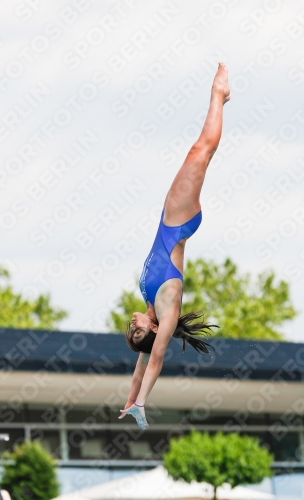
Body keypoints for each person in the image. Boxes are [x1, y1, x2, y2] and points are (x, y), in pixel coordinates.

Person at [118, 63, 230, 430]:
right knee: (202, 150)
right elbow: (154, 361)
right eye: (136, 331)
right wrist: (144, 404)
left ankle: (218, 97)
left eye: (130, 330)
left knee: (198, 152)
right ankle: (219, 95)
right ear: (151, 330)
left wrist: (130, 399)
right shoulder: (164, 316)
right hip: (179, 222)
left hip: (170, 217)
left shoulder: (150, 306)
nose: (132, 324)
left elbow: (140, 364)